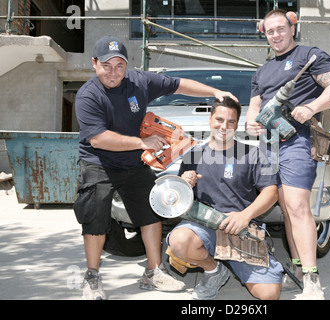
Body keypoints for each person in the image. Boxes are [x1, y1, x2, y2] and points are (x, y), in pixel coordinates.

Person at [74, 35, 237, 300]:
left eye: (119, 65)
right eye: (107, 65)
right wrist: (142, 141)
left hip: (134, 163)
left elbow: (178, 84)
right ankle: (92, 277)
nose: (113, 72)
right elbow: (99, 138)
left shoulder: (139, 81)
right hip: (99, 163)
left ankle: (154, 272)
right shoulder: (88, 96)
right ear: (95, 64)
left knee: (151, 212)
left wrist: (213, 92)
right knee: (95, 218)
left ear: (127, 65)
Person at [245, 9, 330, 300]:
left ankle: (313, 279)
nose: (276, 35)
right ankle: (299, 270)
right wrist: (251, 121)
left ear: (292, 27)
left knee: (299, 206)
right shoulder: (261, 72)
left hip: (298, 140)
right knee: (287, 209)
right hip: (269, 146)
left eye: (280, 29)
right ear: (264, 34)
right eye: (270, 31)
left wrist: (312, 107)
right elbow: (254, 105)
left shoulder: (308, 56)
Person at [166, 97, 284, 300]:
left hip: (241, 229)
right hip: (204, 227)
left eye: (231, 122)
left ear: (236, 124)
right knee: (179, 241)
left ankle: (251, 260)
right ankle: (213, 270)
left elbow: (271, 192)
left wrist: (245, 216)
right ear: (210, 119)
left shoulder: (253, 153)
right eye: (219, 119)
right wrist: (183, 184)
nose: (224, 126)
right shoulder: (193, 155)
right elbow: (176, 200)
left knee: (269, 294)